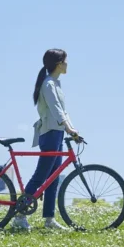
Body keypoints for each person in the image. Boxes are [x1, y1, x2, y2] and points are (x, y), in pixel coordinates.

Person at [11, 48, 78, 230]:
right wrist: (69, 127)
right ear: (58, 63)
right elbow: (55, 109)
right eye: (65, 61)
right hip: (49, 133)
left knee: (53, 179)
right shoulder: (48, 84)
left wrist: (72, 129)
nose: (67, 64)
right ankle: (19, 216)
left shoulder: (55, 83)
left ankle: (49, 219)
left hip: (57, 133)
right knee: (41, 176)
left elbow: (63, 111)